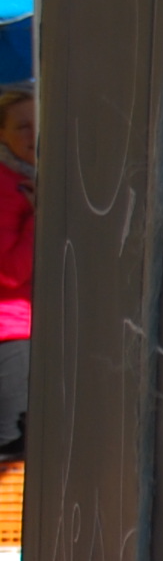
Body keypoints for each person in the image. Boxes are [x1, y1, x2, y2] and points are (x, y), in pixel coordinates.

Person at [0, 88, 32, 459]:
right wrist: (41, 215)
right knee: (14, 452)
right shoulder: (7, 186)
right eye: (22, 126)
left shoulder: (28, 178)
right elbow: (10, 272)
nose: (33, 135)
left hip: (29, 330)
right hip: (12, 333)